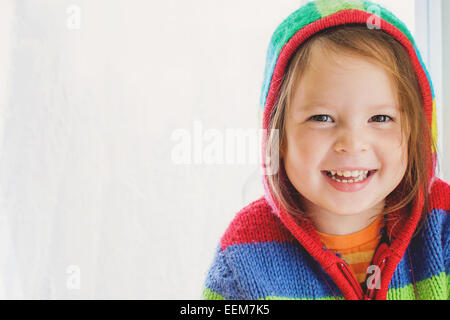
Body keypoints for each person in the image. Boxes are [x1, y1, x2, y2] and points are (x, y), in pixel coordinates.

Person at [202, 0, 449, 300]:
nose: (352, 143)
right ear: (277, 139)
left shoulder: (442, 226)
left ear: (414, 135)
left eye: (380, 118)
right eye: (321, 118)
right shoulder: (243, 258)